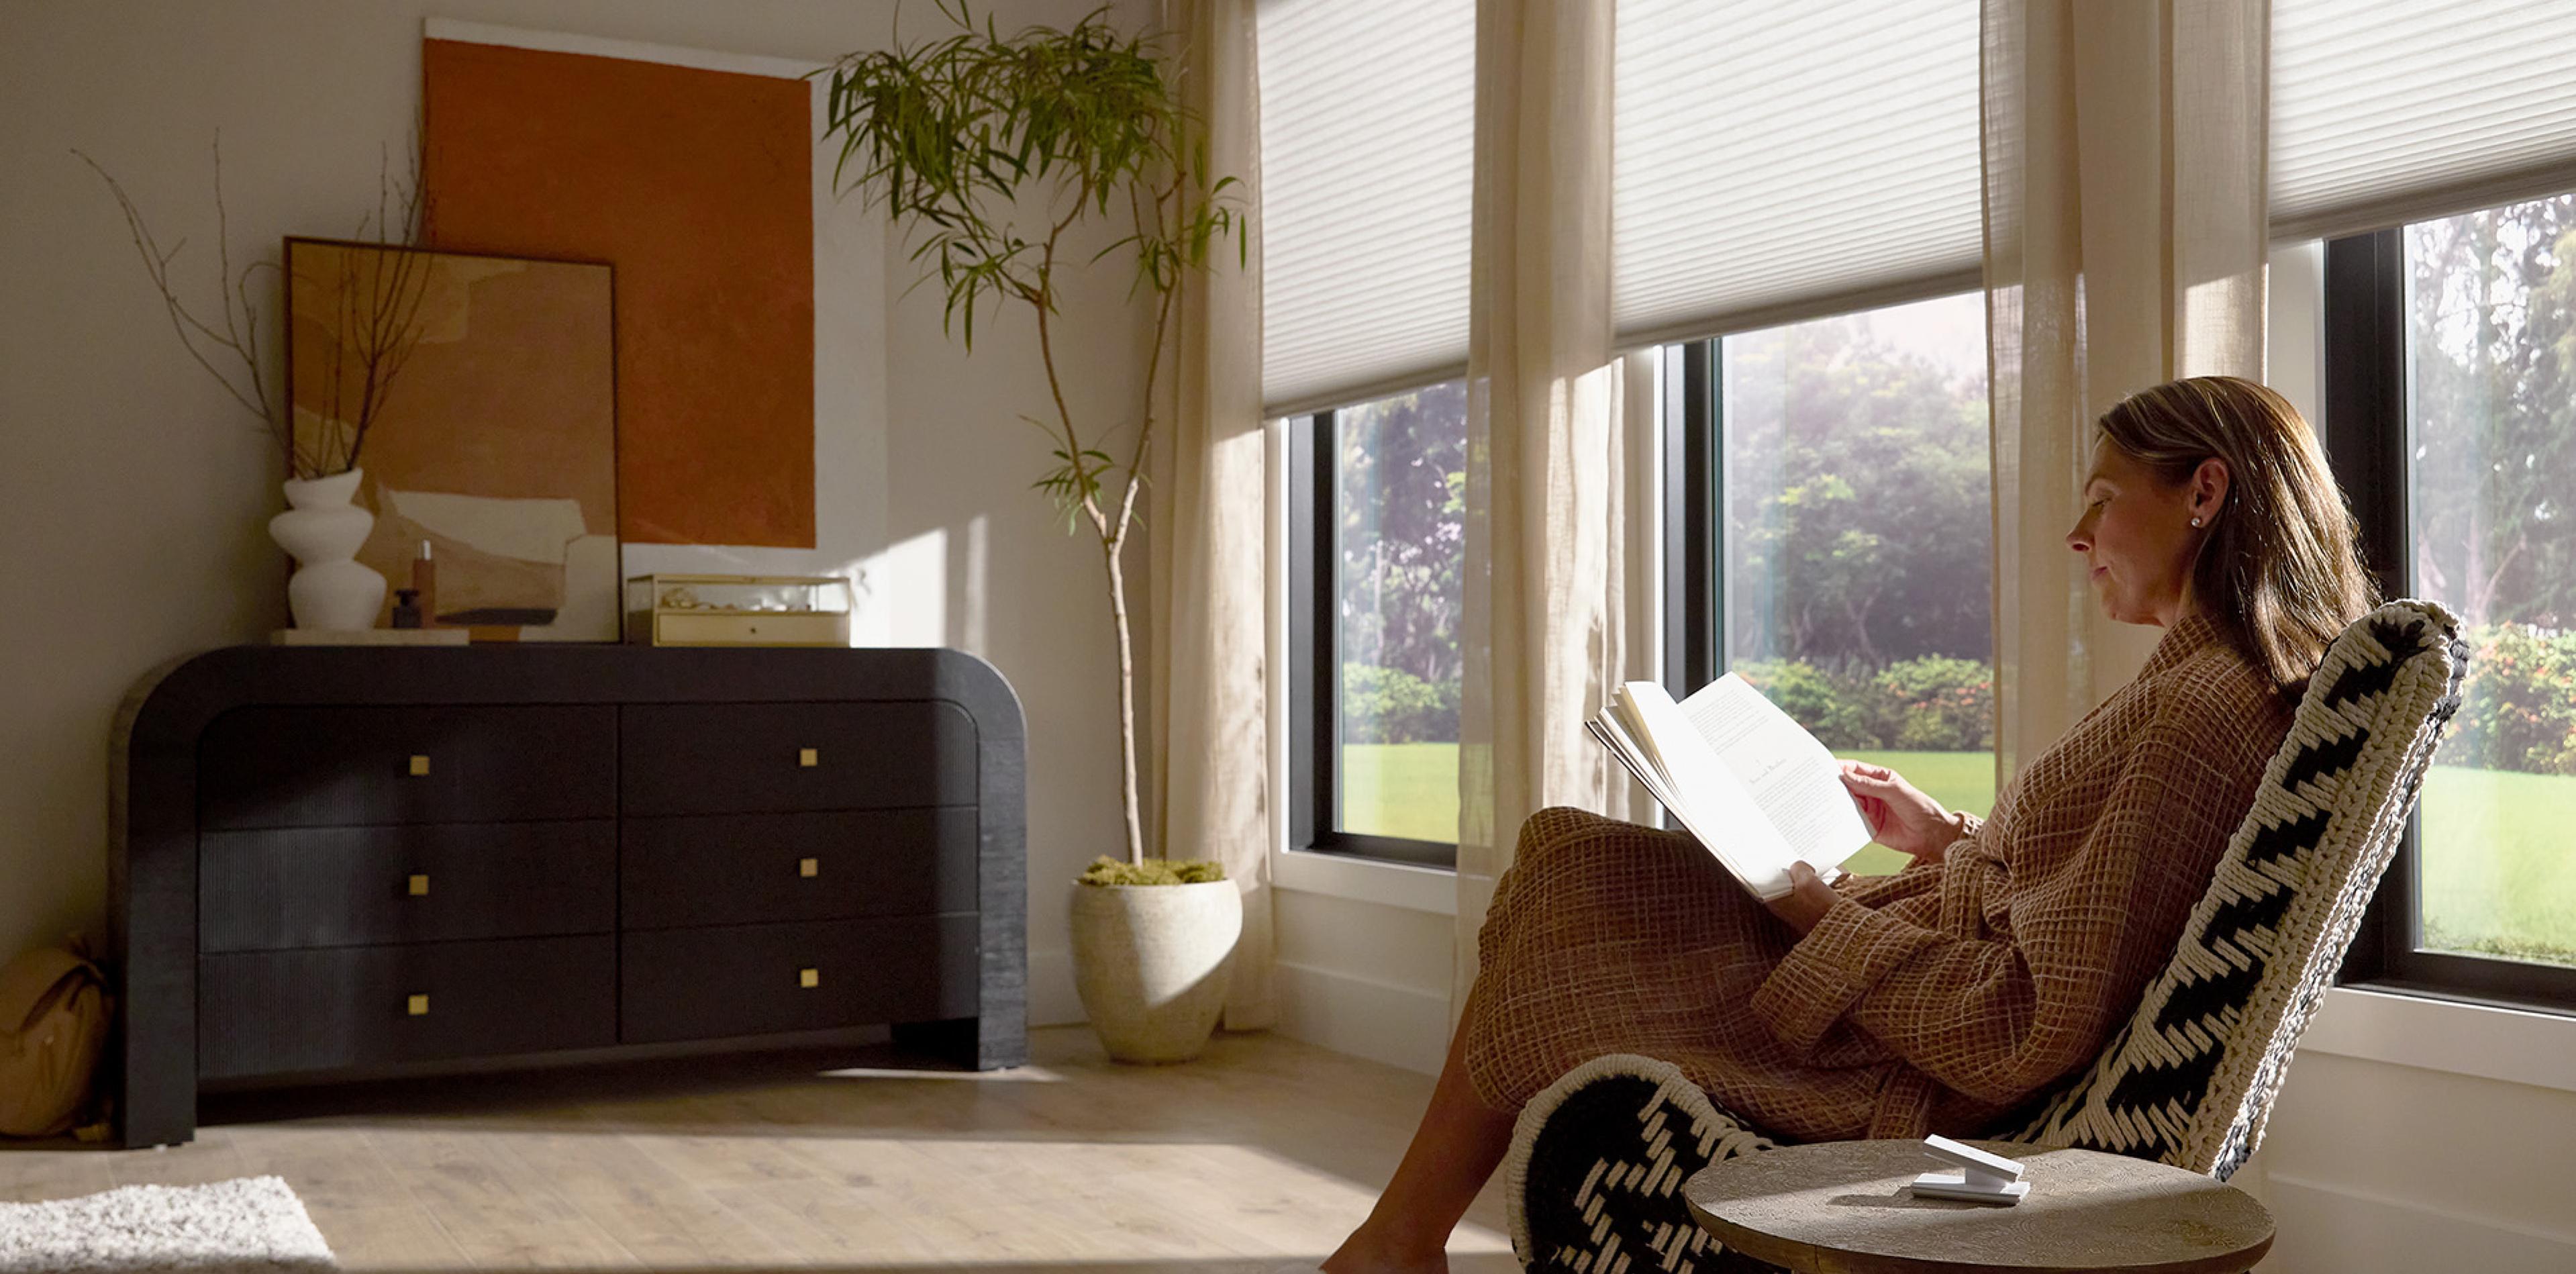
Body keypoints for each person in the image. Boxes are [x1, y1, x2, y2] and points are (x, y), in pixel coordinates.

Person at [1320, 375, 2380, 1274]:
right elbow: (2084, 888)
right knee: (1567, 853)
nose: (2076, 533)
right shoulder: (2211, 682)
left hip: (1920, 1066)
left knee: (1570, 875)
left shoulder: (2202, 709)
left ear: (2203, 490)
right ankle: (1397, 1240)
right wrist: (1944, 836)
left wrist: (1812, 905)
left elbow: (2025, 1021)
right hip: (1923, 959)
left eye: (2101, 498)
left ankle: (1394, 1241)